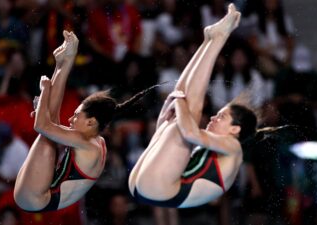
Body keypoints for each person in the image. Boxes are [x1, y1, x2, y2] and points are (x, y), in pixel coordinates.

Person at [14, 31, 155, 212]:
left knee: (47, 132)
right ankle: (64, 63)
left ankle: (67, 62)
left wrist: (46, 90)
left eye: (76, 115)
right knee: (50, 127)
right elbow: (49, 123)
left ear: (91, 122)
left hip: (35, 198)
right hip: (42, 196)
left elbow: (42, 125)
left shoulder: (87, 144)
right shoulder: (96, 142)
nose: (71, 119)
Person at [128, 4, 253, 208]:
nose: (213, 118)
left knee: (189, 113)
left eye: (222, 117)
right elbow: (163, 132)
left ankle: (217, 39)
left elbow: (190, 133)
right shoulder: (216, 144)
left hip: (158, 190)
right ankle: (208, 40)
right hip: (147, 186)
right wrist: (169, 108)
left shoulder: (234, 147)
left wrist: (178, 102)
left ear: (235, 129)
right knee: (182, 111)